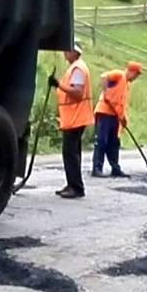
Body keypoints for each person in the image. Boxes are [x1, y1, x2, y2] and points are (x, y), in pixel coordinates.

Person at [48, 42, 94, 199]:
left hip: (76, 116)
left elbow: (78, 92)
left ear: (75, 53)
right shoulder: (76, 67)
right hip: (74, 116)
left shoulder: (78, 69)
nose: (65, 53)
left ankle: (76, 187)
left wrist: (58, 85)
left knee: (70, 153)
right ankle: (72, 184)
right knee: (73, 152)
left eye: (68, 51)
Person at [92, 62, 143, 178]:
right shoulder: (119, 75)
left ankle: (115, 168)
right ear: (131, 71)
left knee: (114, 143)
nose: (136, 78)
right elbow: (104, 77)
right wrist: (106, 94)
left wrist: (124, 118)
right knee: (102, 141)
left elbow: (122, 104)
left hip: (115, 116)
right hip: (104, 113)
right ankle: (96, 168)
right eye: (136, 75)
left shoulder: (127, 85)